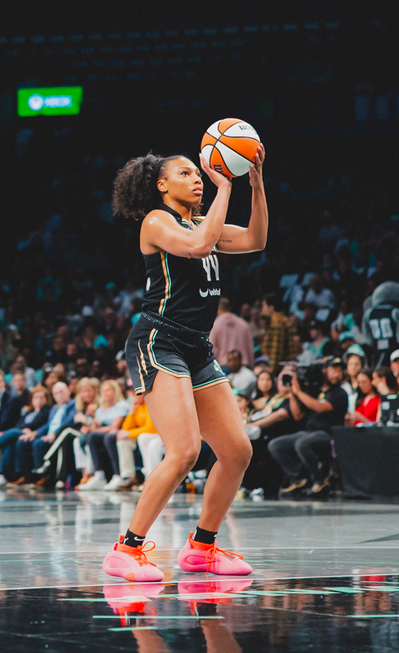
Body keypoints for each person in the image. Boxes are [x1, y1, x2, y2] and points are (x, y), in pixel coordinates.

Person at [104, 147, 266, 581]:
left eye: (200, 173)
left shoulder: (202, 222)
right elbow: (198, 246)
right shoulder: (157, 221)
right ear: (161, 185)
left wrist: (255, 182)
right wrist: (224, 187)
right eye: (185, 173)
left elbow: (255, 239)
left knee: (236, 451)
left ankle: (202, 547)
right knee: (185, 451)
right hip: (159, 339)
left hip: (196, 346)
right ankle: (126, 549)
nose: (198, 178)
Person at [267, 358, 349, 497]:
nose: (337, 374)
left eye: (340, 371)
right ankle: (298, 479)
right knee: (276, 445)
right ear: (324, 371)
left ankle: (320, 480)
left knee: (303, 443)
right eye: (333, 370)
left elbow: (321, 407)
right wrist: (293, 392)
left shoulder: (340, 393)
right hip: (309, 432)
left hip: (329, 433)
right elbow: (297, 415)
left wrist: (299, 392)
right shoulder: (313, 390)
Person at [209, 297, 254, 367]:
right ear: (230, 308)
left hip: (223, 365)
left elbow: (212, 348)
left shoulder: (215, 325)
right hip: (243, 365)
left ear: (218, 309)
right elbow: (250, 348)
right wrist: (251, 365)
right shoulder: (243, 324)